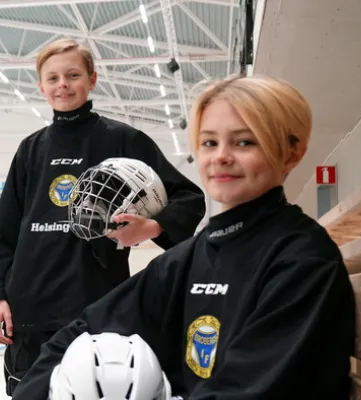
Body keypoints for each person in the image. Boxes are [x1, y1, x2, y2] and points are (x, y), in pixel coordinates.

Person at [12, 75, 355, 400]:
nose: (220, 155)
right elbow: (85, 328)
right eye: (209, 142)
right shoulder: (191, 259)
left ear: (292, 152)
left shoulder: (303, 261)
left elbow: (253, 390)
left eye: (244, 141)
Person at [0, 38, 205, 396]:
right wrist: (0, 295)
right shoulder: (30, 149)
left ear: (92, 80)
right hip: (29, 313)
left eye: (73, 75)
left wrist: (153, 226)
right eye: (53, 78)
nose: (62, 84)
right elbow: (4, 232)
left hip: (95, 307)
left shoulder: (123, 140)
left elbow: (189, 196)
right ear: (41, 86)